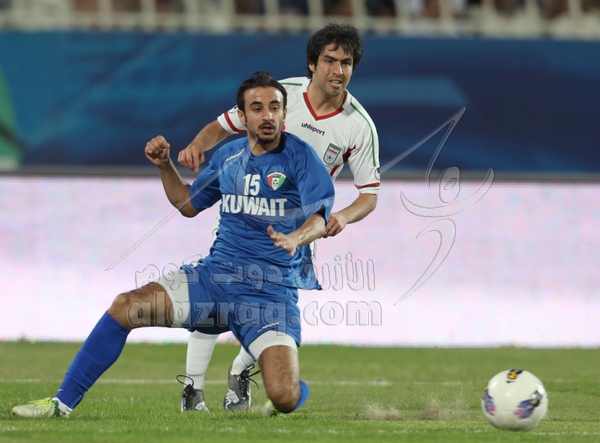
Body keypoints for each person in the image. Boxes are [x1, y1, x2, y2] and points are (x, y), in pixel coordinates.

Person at [11, 71, 335, 419]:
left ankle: (289, 387)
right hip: (214, 281)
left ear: (285, 113)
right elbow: (187, 204)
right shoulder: (228, 156)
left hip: (269, 295)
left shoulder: (302, 158)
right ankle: (60, 404)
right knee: (124, 307)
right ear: (242, 117)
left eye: (274, 107)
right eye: (257, 108)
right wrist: (165, 165)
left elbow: (319, 217)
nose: (267, 115)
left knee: (283, 396)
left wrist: (296, 237)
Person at [177, 23, 380, 412]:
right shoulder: (278, 96)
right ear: (312, 64)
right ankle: (192, 388)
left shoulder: (358, 125)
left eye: (346, 63)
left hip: (298, 231)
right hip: (247, 214)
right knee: (215, 301)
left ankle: (240, 373)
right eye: (330, 60)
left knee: (273, 313)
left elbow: (369, 195)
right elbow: (221, 127)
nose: (338, 70)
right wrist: (196, 146)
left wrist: (343, 216)